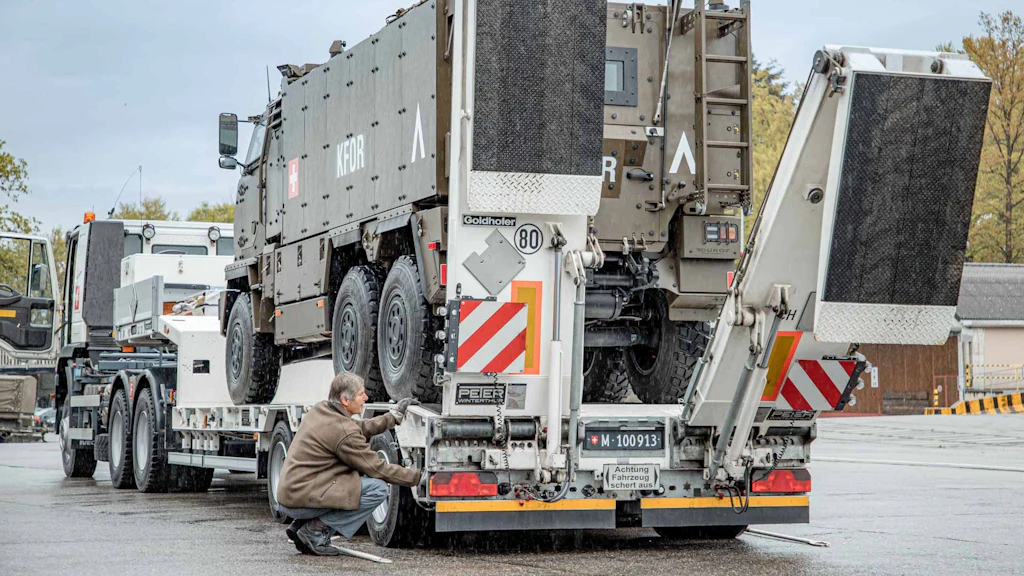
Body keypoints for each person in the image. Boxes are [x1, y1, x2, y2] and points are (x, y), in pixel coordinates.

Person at [275, 372, 420, 556]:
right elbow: (377, 468)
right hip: (302, 500)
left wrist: (392, 417)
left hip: (291, 495)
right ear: (345, 400)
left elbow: (357, 428)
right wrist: (418, 477)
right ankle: (314, 531)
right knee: (378, 488)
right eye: (361, 394)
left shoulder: (321, 410)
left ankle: (301, 526)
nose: (366, 397)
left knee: (353, 480)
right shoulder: (343, 431)